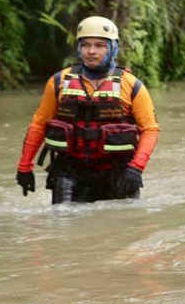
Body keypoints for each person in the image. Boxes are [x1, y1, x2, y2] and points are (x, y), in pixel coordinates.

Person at [15, 16, 159, 204]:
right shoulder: (58, 82)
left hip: (118, 172)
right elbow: (39, 124)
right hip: (70, 170)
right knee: (62, 218)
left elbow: (149, 129)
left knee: (121, 222)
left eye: (100, 46)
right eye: (85, 45)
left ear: (113, 48)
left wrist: (136, 168)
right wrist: (24, 167)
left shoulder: (132, 86)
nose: (91, 51)